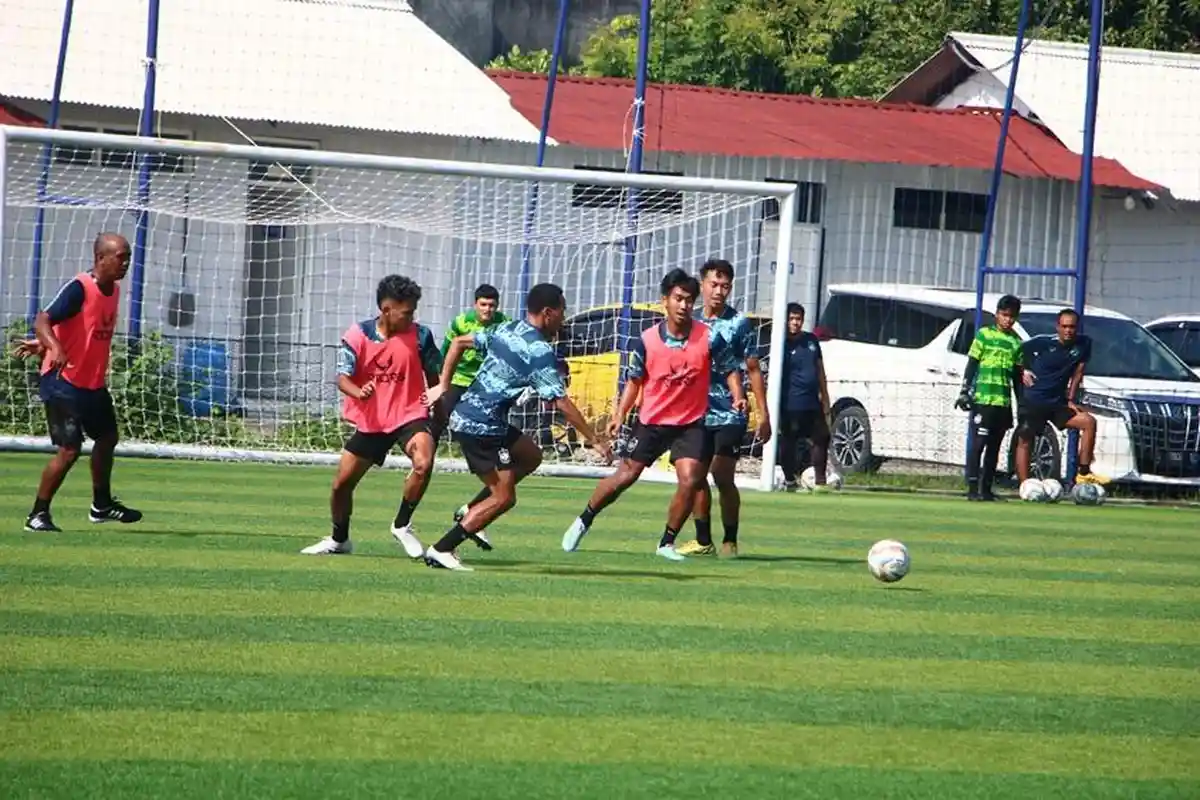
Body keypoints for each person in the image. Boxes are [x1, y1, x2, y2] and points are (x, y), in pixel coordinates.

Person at [425, 282, 610, 571]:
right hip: (480, 425)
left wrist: (443, 386)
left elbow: (459, 343)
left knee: (530, 455)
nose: (564, 318)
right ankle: (442, 548)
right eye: (562, 312)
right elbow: (561, 402)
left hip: (477, 418)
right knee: (504, 498)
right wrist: (595, 440)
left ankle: (471, 509)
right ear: (548, 313)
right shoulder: (539, 351)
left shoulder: (507, 328)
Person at [562, 269, 744, 562]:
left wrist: (738, 396)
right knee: (625, 476)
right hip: (653, 422)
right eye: (678, 299)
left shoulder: (709, 337)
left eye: (689, 300)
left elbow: (731, 368)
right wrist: (620, 414)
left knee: (690, 479)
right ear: (665, 301)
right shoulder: (647, 341)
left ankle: (666, 543)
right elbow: (634, 381)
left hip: (692, 423)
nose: (684, 305)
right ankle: (584, 519)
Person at [300, 275, 443, 557]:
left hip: (410, 415)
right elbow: (342, 378)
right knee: (341, 486)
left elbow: (434, 377)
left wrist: (438, 405)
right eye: (407, 312)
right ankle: (339, 540)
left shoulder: (421, 336)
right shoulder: (358, 335)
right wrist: (359, 392)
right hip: (373, 421)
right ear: (386, 309)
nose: (412, 317)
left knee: (423, 463)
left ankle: (402, 525)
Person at [22, 233, 142, 532]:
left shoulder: (113, 290)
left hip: (91, 382)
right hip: (62, 381)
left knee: (107, 437)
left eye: (128, 257)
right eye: (120, 257)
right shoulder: (79, 288)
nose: (125, 263)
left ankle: (101, 505)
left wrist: (48, 343)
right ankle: (37, 514)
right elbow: (43, 319)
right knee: (70, 450)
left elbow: (78, 328)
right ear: (101, 258)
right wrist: (54, 347)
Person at [675, 259, 769, 558]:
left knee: (721, 475)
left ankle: (730, 538)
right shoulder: (689, 321)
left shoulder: (738, 323)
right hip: (695, 411)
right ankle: (703, 540)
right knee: (694, 476)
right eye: (714, 285)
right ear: (702, 285)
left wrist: (763, 413)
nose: (719, 291)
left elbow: (752, 368)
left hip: (730, 411)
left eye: (725, 286)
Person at [1016, 308, 1109, 485]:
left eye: (1072, 327)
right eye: (1064, 326)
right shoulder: (1041, 343)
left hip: (1057, 402)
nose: (1068, 330)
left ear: (1077, 328)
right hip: (1034, 400)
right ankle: (1025, 484)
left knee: (1088, 422)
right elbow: (1016, 352)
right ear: (1057, 327)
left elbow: (1078, 372)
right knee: (1026, 437)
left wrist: (1071, 399)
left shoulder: (1083, 344)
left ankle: (1083, 472)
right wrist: (1023, 371)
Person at [955, 294, 1029, 501]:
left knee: (994, 448)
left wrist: (1021, 405)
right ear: (997, 314)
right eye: (1004, 315)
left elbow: (1017, 377)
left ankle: (986, 490)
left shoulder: (1016, 342)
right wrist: (964, 391)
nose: (1008, 320)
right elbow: (972, 364)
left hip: (1002, 403)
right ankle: (972, 489)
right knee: (978, 444)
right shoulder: (984, 335)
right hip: (983, 400)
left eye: (1012, 316)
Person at [432, 284, 508, 440]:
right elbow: (445, 351)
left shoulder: (505, 324)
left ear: (497, 306)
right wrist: (439, 379)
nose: (487, 309)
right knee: (440, 417)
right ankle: (428, 447)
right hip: (460, 378)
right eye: (483, 305)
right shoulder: (460, 323)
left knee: (492, 420)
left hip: (487, 383)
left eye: (492, 305)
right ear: (475, 305)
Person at [775, 303, 833, 492]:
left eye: (798, 319)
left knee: (822, 437)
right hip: (790, 403)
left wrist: (825, 397)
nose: (795, 323)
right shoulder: (779, 343)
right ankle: (790, 480)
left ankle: (821, 482)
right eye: (791, 319)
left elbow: (820, 369)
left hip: (812, 401)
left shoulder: (811, 340)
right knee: (789, 441)